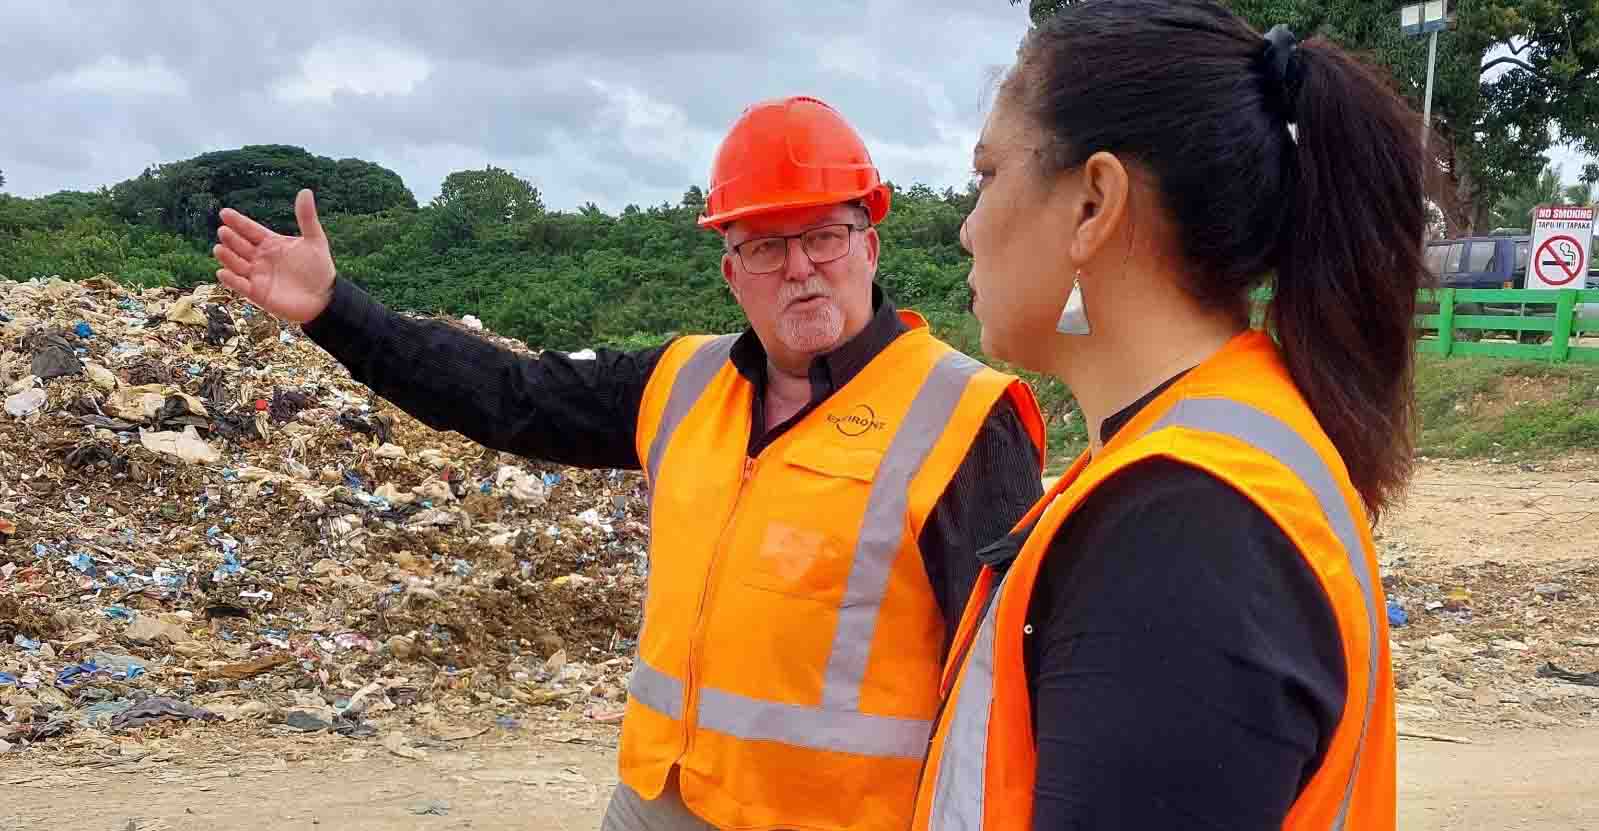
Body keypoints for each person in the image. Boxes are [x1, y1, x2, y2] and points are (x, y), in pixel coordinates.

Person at [210, 95, 1047, 831]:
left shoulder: (960, 418)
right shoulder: (681, 382)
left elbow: (1009, 691)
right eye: (765, 245)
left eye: (824, 235)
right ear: (731, 271)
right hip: (659, 797)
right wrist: (333, 310)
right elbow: (506, 393)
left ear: (869, 242)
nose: (799, 267)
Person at [912, 2, 1426, 828]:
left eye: (986, 176)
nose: (968, 229)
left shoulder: (1183, 531)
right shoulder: (1193, 463)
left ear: (1093, 203)